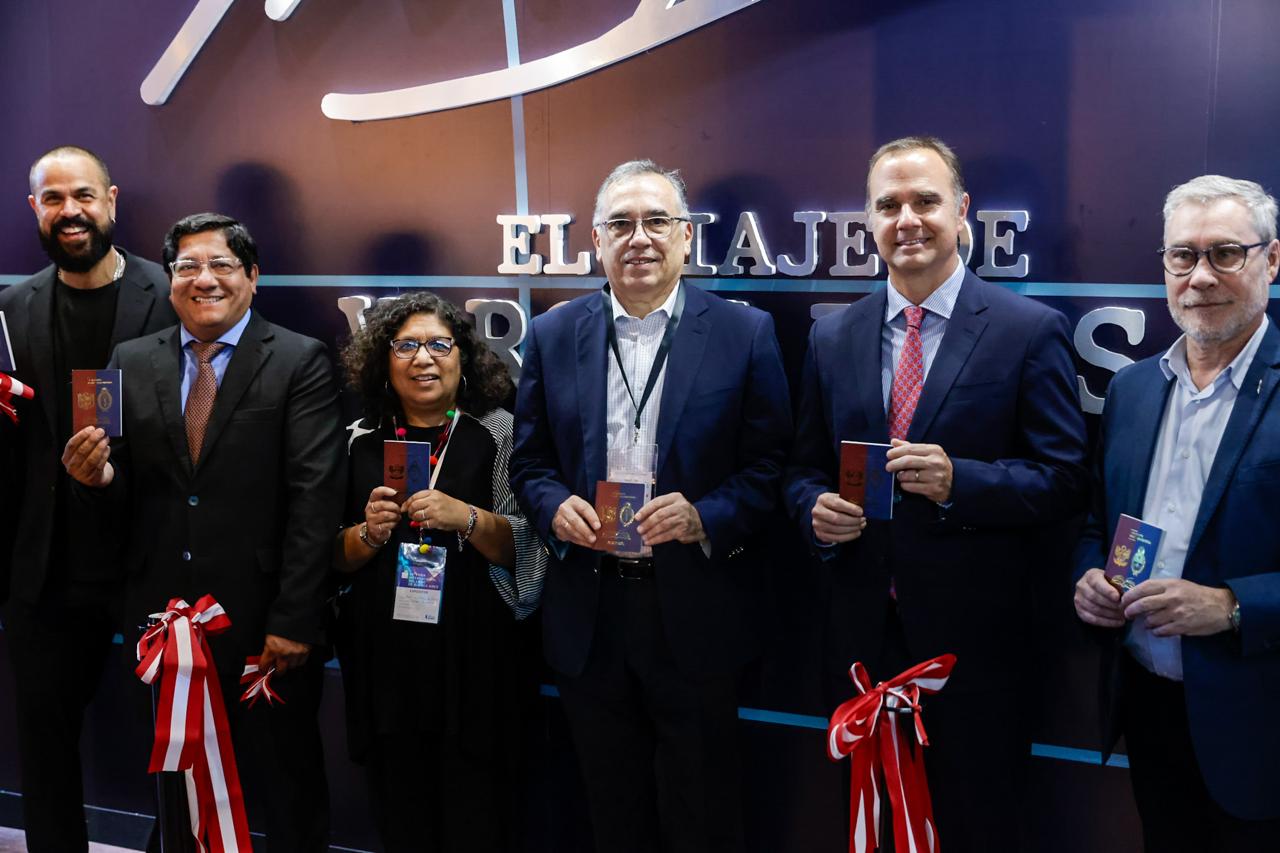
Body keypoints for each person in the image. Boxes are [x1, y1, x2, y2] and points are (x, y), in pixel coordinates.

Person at [784, 136, 1088, 851]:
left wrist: (962, 483)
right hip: (862, 641)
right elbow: (800, 469)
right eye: (888, 205)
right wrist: (812, 510)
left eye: (926, 200)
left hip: (976, 651)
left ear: (962, 211)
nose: (907, 220)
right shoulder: (833, 336)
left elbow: (1067, 480)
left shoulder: (1027, 330)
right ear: (869, 220)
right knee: (873, 828)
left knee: (976, 825)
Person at [510, 159, 792, 853]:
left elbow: (770, 467)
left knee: (703, 814)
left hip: (694, 610)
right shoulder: (551, 333)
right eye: (620, 224)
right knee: (613, 811)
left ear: (686, 236)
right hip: (590, 610)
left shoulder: (744, 334)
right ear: (597, 242)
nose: (639, 238)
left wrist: (705, 516)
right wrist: (553, 508)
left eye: (657, 221)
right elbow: (529, 462)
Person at [62, 212, 343, 851]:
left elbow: (315, 499)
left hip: (264, 622)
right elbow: (117, 495)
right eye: (187, 266)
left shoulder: (299, 359)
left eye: (220, 264)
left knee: (286, 787)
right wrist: (96, 479)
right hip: (162, 623)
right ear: (169, 280)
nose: (204, 279)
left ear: (252, 276)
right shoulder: (128, 361)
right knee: (177, 785)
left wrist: (295, 618)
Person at [1073, 175, 1280, 851]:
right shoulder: (1133, 389)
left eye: (1226, 253)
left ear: (1272, 259)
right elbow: (1095, 524)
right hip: (1149, 709)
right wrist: (1088, 577)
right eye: (1182, 255)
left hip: (1259, 725)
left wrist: (1231, 605)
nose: (1201, 276)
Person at [0, 144, 176, 851]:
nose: (69, 211)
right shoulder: (11, 307)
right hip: (45, 569)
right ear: (34, 209)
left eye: (82, 195)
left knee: (179, 740)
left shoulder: (172, 294)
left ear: (112, 201)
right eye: (53, 199)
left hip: (149, 559)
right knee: (44, 749)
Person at [331, 291, 546, 852]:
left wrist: (466, 518)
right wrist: (369, 533)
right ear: (383, 361)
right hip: (385, 662)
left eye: (438, 345)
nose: (423, 359)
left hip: (476, 661)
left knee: (478, 814)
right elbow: (330, 557)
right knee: (399, 812)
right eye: (405, 346)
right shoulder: (358, 438)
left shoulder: (500, 432)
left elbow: (529, 547)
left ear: (462, 356)